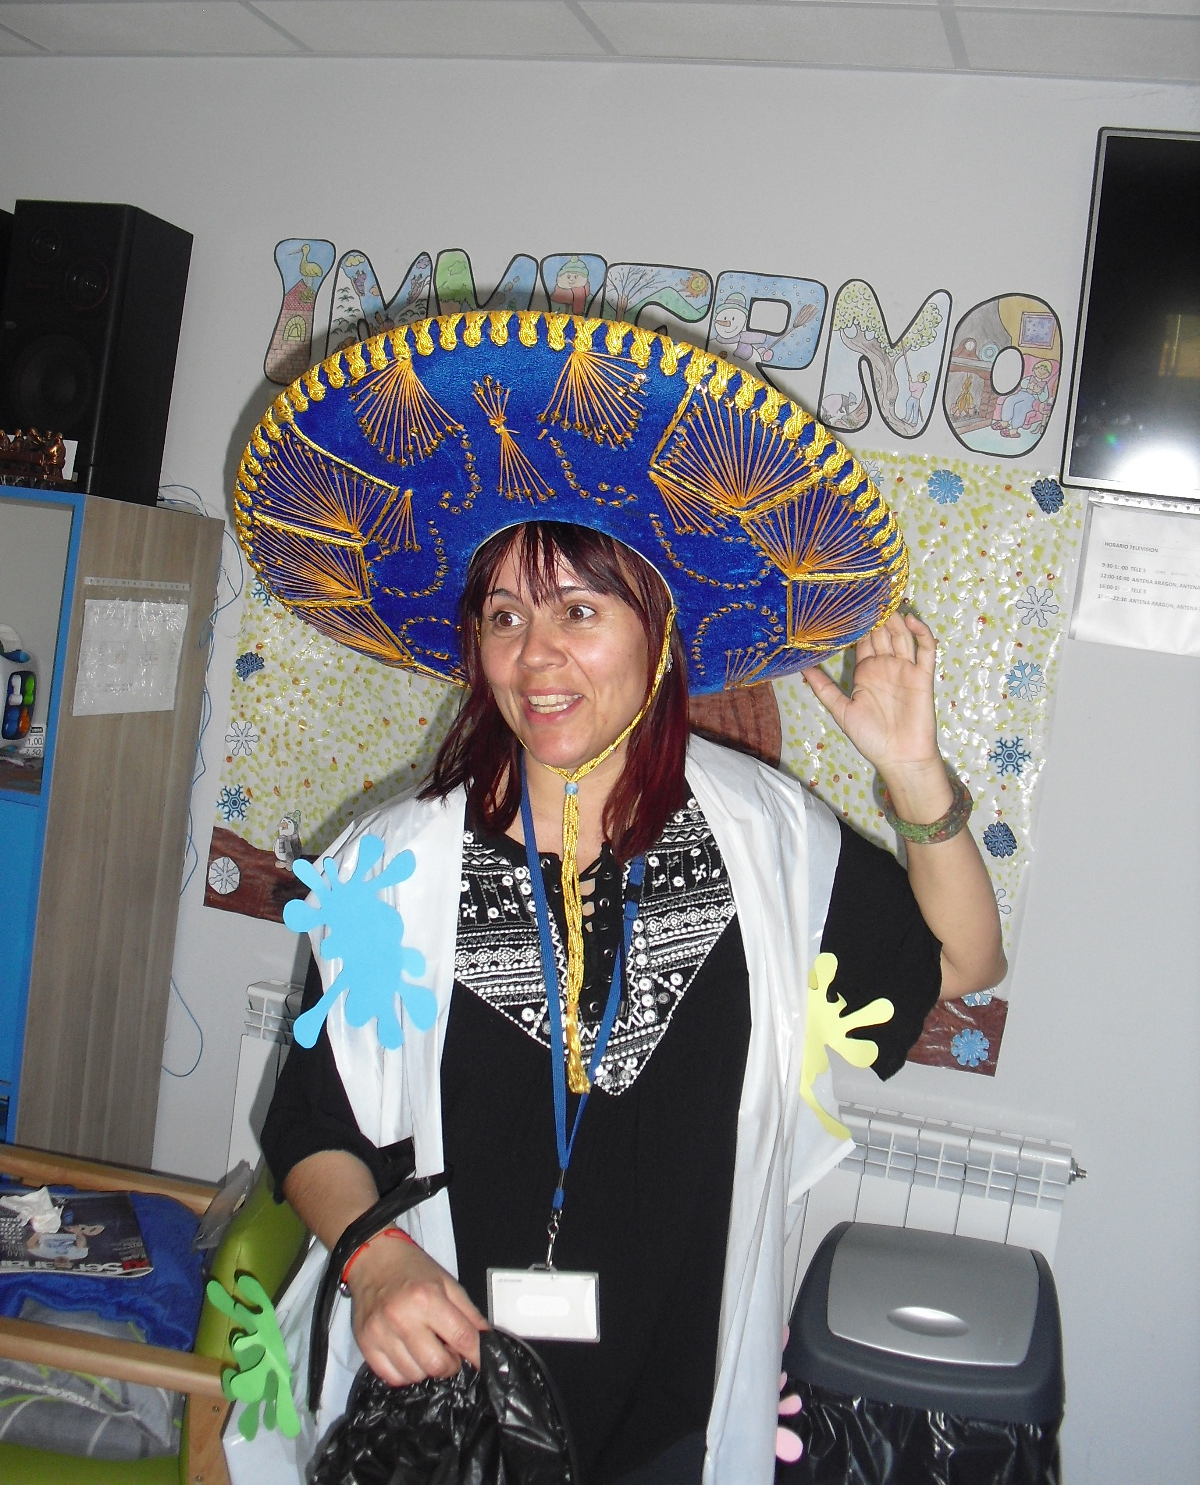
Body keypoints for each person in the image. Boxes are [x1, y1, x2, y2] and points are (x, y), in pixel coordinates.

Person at [234, 312, 1004, 1485]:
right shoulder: (397, 864)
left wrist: (914, 775)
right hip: (450, 1408)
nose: (535, 655)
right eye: (505, 615)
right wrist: (374, 1258)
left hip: (677, 1415)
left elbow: (961, 964)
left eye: (578, 612)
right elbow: (313, 1124)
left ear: (658, 630)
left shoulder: (764, 838)